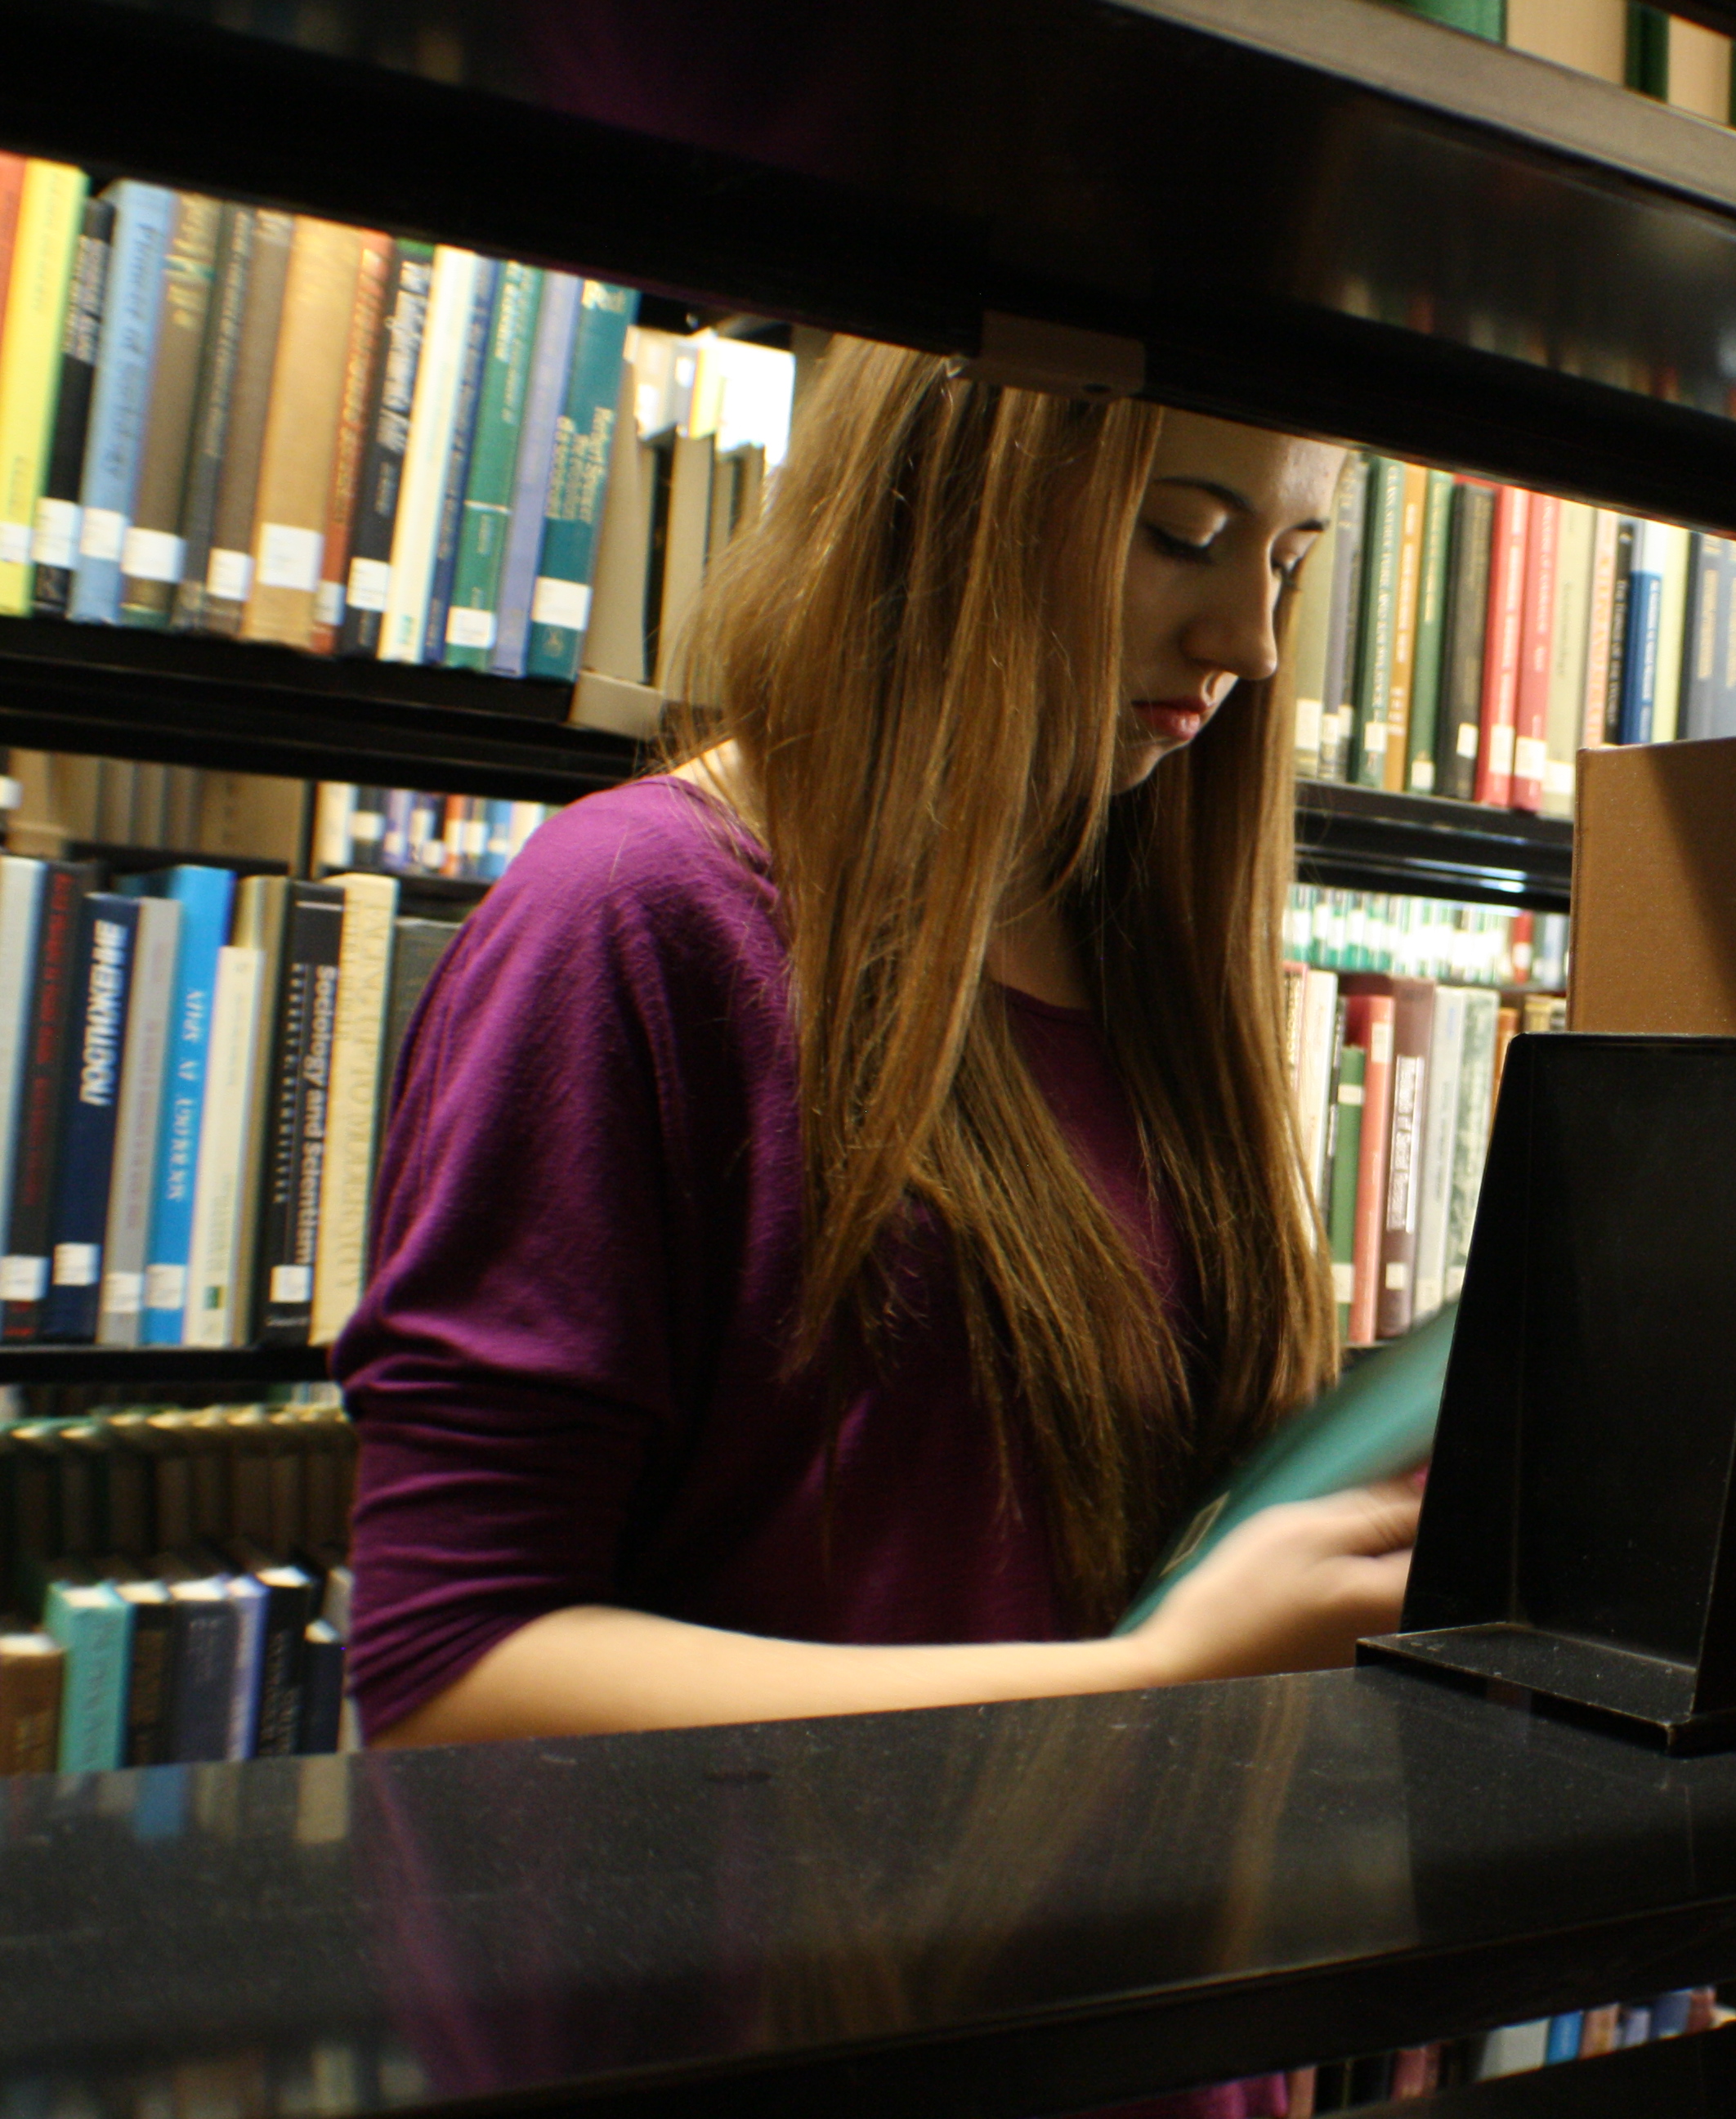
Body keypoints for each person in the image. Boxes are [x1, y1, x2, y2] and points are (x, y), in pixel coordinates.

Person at [338, 340, 1419, 1746]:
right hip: (769, 1952)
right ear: (952, 497)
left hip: (1103, 1944)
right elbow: (448, 1673)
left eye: (1287, 560)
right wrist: (1148, 1681)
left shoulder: (1147, 950)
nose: (1247, 642)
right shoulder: (626, 917)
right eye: (1184, 536)